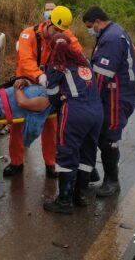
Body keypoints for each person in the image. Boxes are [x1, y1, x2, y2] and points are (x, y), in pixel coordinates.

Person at [4, 5, 84, 179]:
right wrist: (39, 76)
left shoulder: (63, 34)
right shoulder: (28, 35)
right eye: (55, 30)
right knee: (17, 125)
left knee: (51, 124)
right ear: (48, 22)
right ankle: (16, 162)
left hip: (49, 85)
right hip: (26, 82)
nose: (57, 34)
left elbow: (78, 52)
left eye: (62, 31)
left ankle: (50, 163)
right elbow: (25, 60)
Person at [82, 6, 135, 197]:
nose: (90, 30)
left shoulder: (112, 38)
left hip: (118, 95)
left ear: (98, 22)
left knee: (108, 138)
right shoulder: (109, 33)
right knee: (96, 133)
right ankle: (91, 171)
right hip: (113, 92)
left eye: (91, 26)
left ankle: (112, 181)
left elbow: (101, 76)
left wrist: (88, 101)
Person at [43, 33, 103, 214]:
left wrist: (61, 98)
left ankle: (64, 202)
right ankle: (80, 196)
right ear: (70, 45)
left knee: (67, 152)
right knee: (87, 153)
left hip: (75, 112)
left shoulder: (56, 65)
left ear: (53, 48)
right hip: (96, 111)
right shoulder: (84, 61)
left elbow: (52, 95)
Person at [0, 81, 54, 147]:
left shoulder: (47, 99)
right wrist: (24, 82)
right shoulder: (47, 90)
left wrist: (17, 88)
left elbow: (22, 102)